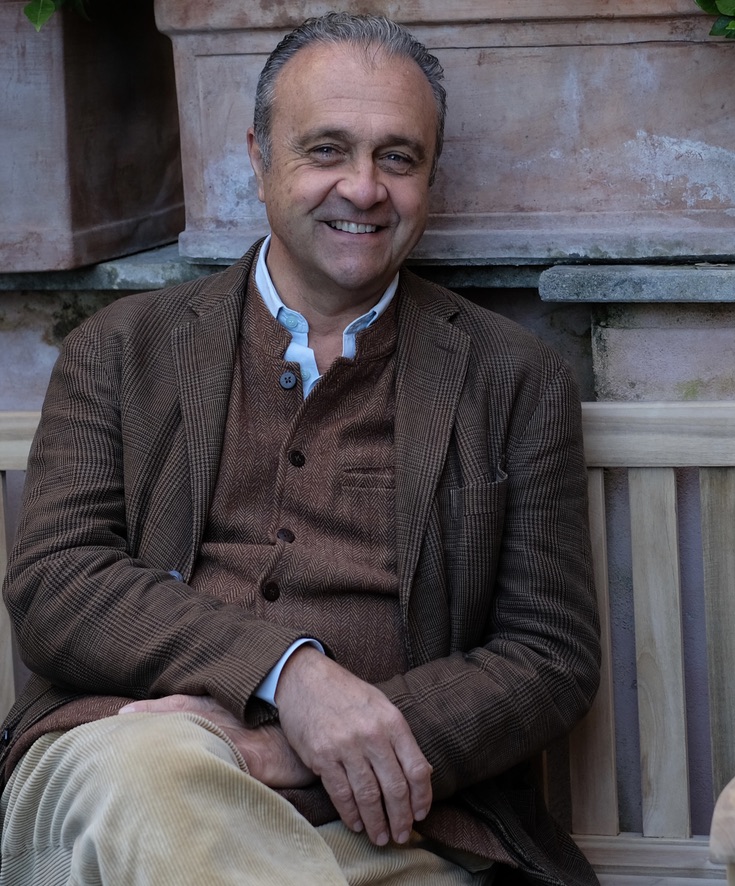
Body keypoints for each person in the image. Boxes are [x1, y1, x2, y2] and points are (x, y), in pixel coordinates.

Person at [0, 12, 600, 886]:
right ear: (258, 157)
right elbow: (57, 584)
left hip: (391, 825)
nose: (362, 188)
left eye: (398, 157)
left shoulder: (513, 380)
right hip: (114, 769)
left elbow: (548, 654)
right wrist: (294, 680)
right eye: (326, 150)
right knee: (155, 775)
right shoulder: (123, 349)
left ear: (430, 175)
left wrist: (316, 753)